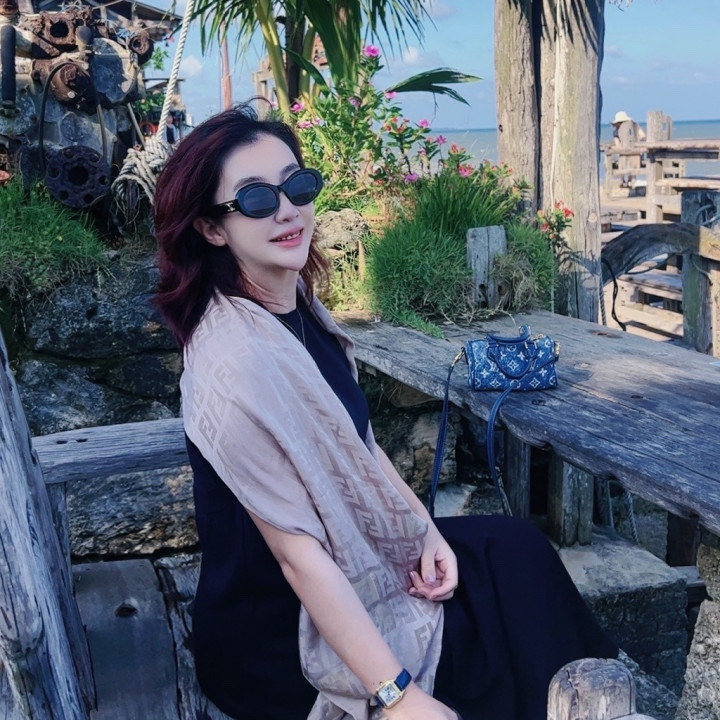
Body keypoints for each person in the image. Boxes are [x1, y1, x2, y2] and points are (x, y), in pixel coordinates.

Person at [153, 104, 618, 720]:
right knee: (488, 654)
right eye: (257, 199)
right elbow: (298, 557)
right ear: (212, 229)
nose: (288, 210)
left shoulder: (298, 310)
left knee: (516, 552)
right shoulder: (237, 363)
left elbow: (363, 445)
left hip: (350, 562)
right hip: (277, 630)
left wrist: (424, 531)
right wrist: (397, 696)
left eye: (297, 186)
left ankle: (589, 705)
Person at [611, 111, 647, 188]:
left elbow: (618, 147)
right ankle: (632, 180)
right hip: (636, 156)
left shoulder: (616, 132)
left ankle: (623, 181)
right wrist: (636, 143)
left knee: (620, 159)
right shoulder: (635, 127)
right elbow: (643, 136)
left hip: (624, 158)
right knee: (633, 159)